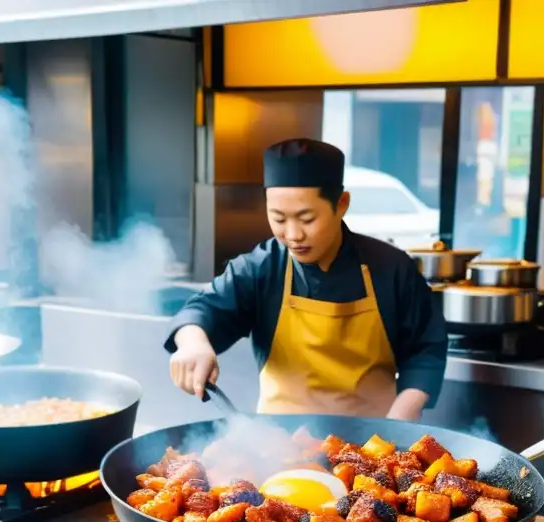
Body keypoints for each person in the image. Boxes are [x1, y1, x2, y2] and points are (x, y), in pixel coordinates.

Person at [167, 138, 447, 421]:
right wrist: (193, 343)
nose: (293, 235)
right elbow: (202, 310)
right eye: (278, 218)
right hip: (279, 445)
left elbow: (425, 350)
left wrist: (401, 418)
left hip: (372, 445)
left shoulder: (392, 268)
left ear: (342, 204)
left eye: (307, 218)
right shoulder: (261, 268)